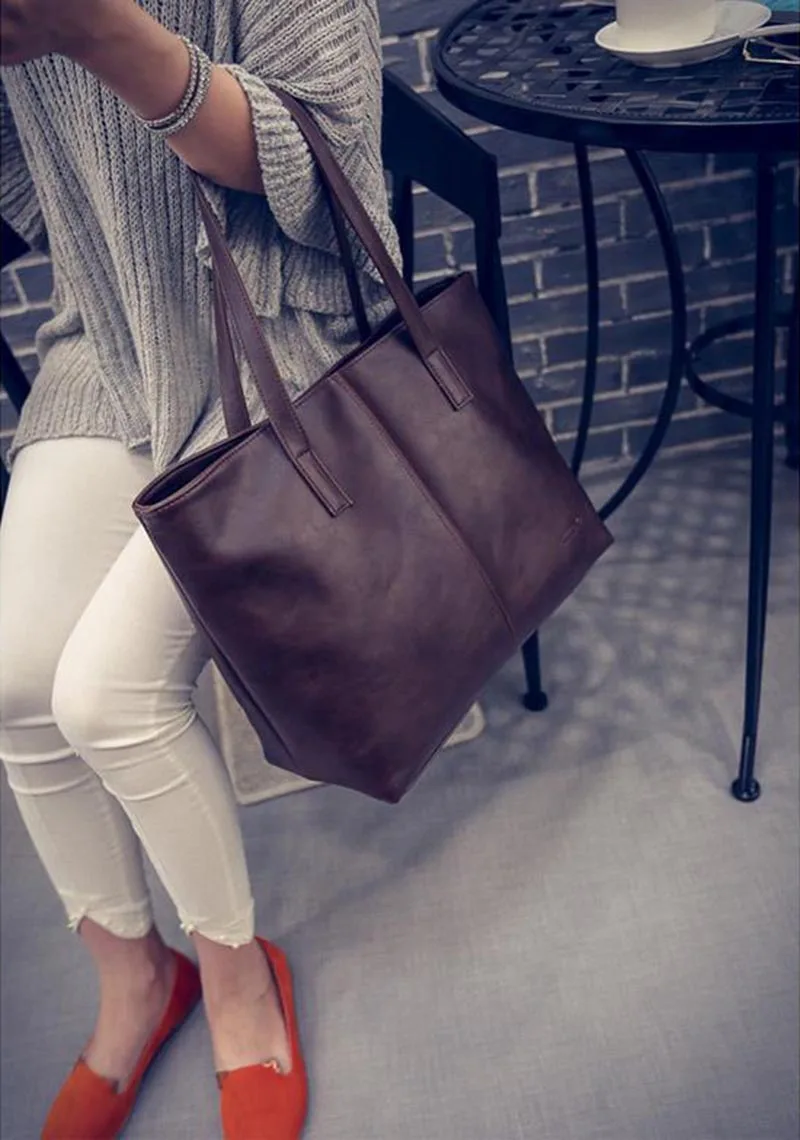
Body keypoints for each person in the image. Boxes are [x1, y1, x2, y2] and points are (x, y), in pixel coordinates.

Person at [0, 0, 399, 1136]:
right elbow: (34, 182)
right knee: (15, 681)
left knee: (107, 695)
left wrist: (93, 32)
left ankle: (237, 981)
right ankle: (135, 977)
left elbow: (327, 171)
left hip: (279, 333)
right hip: (110, 338)